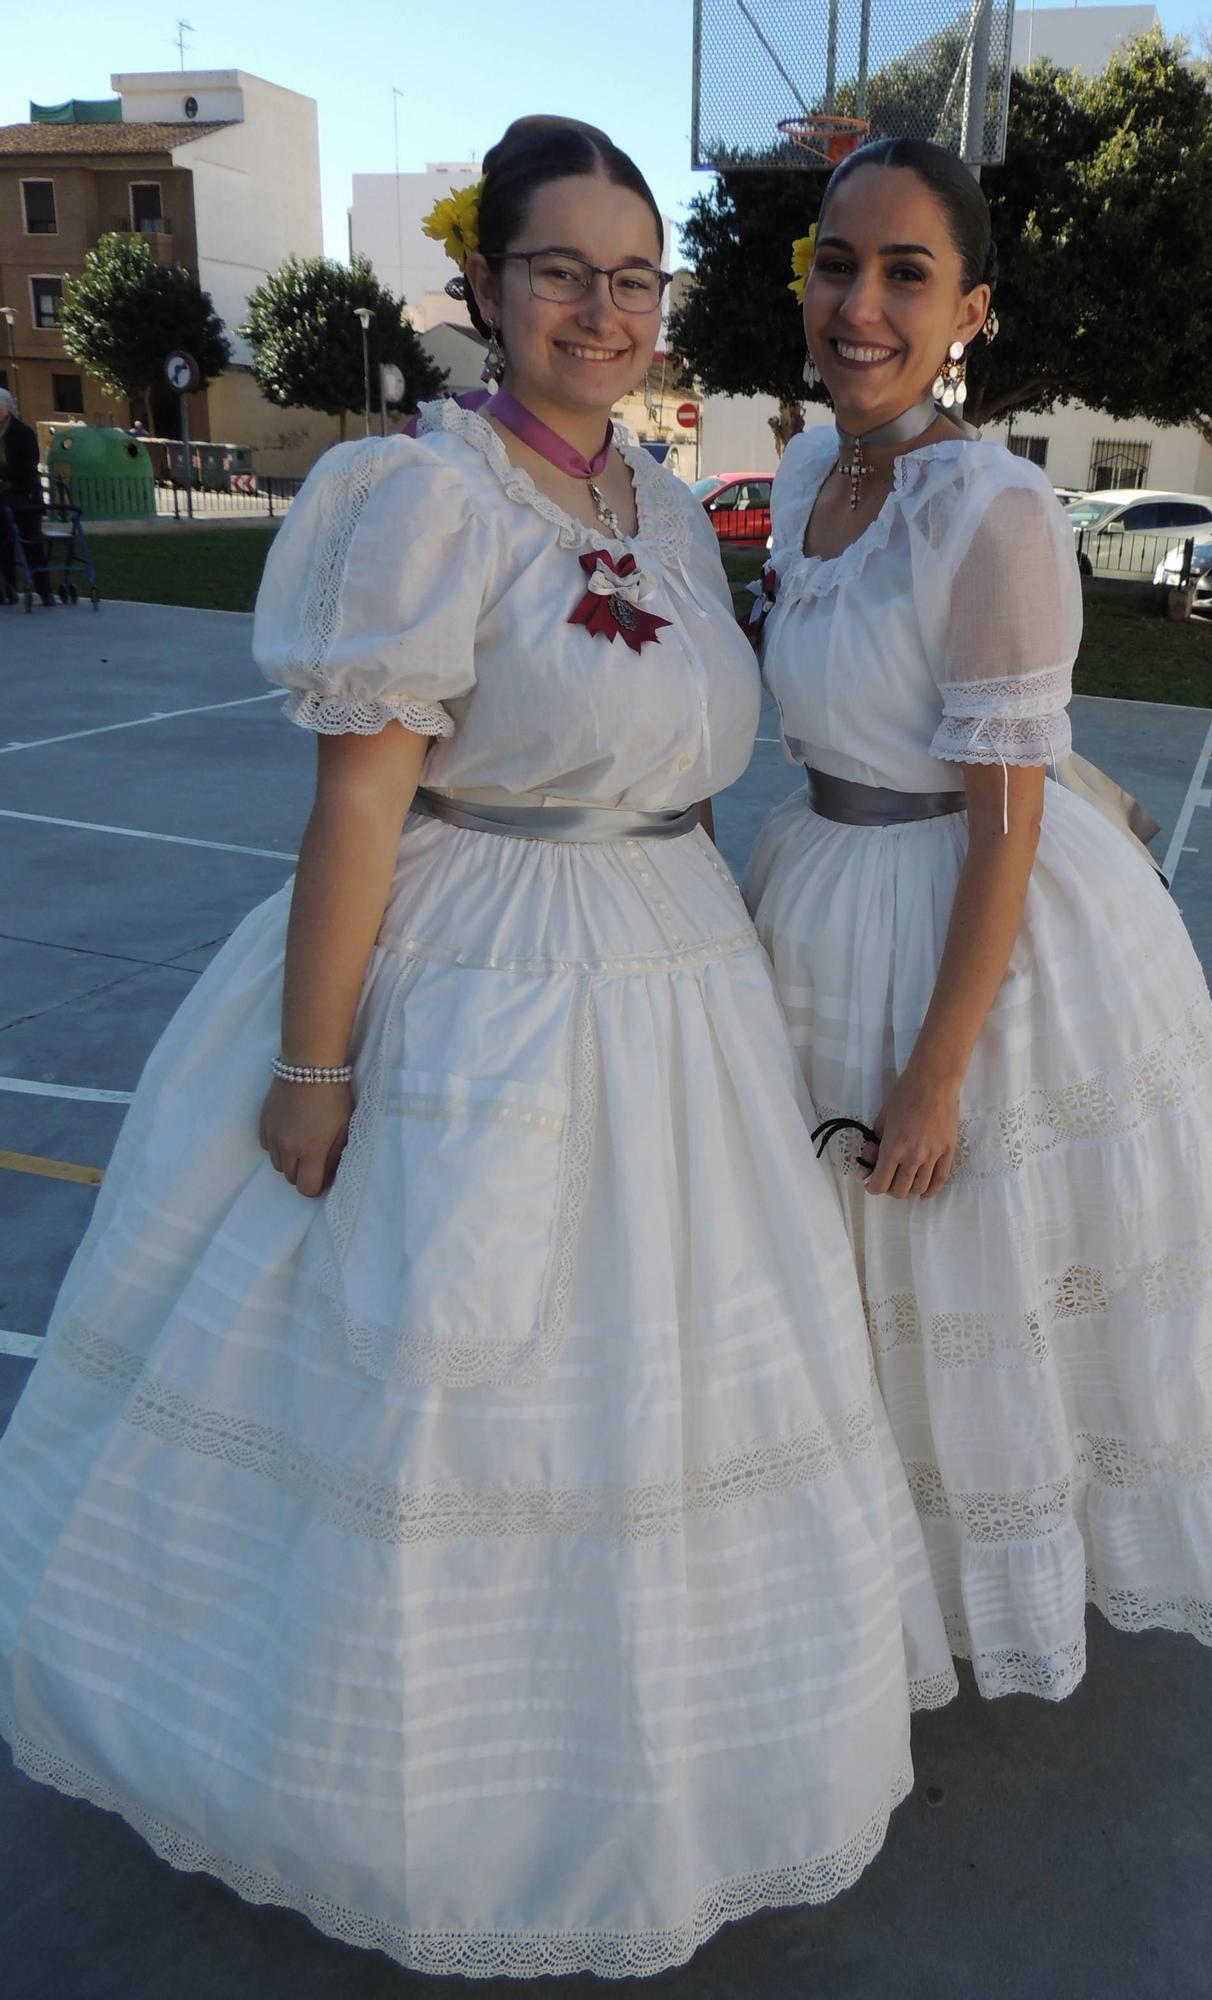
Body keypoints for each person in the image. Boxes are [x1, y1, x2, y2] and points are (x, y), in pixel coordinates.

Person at [0, 118, 954, 1979]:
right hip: (478, 977)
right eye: (558, 272)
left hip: (674, 974)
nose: (600, 312)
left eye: (632, 276)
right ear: (484, 292)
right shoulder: (423, 495)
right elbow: (360, 807)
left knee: (658, 1396)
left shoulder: (661, 501)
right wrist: (313, 1060)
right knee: (450, 1373)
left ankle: (631, 1775)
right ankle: (411, 1800)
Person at [744, 139, 1212, 1705]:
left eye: (904, 274)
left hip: (969, 923)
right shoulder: (807, 476)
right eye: (833, 263)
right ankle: (848, 1575)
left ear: (970, 311)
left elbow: (1007, 812)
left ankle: (966, 1597)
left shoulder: (994, 510)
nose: (857, 303)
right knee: (839, 1286)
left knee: (974, 1281)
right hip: (816, 884)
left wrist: (939, 1070)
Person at [0, 388, 53, 605]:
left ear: (7, 407)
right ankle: (7, 589)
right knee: (3, 544)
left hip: (25, 496)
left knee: (32, 544)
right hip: (3, 498)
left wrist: (4, 476)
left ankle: (44, 591)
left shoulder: (23, 433)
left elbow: (27, 467)